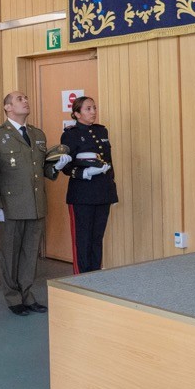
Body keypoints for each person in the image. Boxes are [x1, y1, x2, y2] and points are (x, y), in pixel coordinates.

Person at [0, 91, 55, 317]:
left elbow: (44, 171)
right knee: (10, 253)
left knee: (30, 253)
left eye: (26, 97)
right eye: (20, 99)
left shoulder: (37, 134)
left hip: (35, 203)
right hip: (10, 205)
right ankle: (13, 297)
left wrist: (57, 166)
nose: (26, 100)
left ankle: (27, 294)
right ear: (7, 108)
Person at [59, 96, 117, 274]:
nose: (93, 112)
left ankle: (95, 275)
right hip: (82, 194)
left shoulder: (101, 131)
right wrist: (83, 173)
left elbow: (108, 162)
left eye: (94, 108)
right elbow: (67, 166)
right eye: (88, 109)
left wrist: (111, 187)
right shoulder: (70, 134)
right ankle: (81, 278)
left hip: (102, 192)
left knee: (97, 237)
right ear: (77, 114)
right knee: (82, 240)